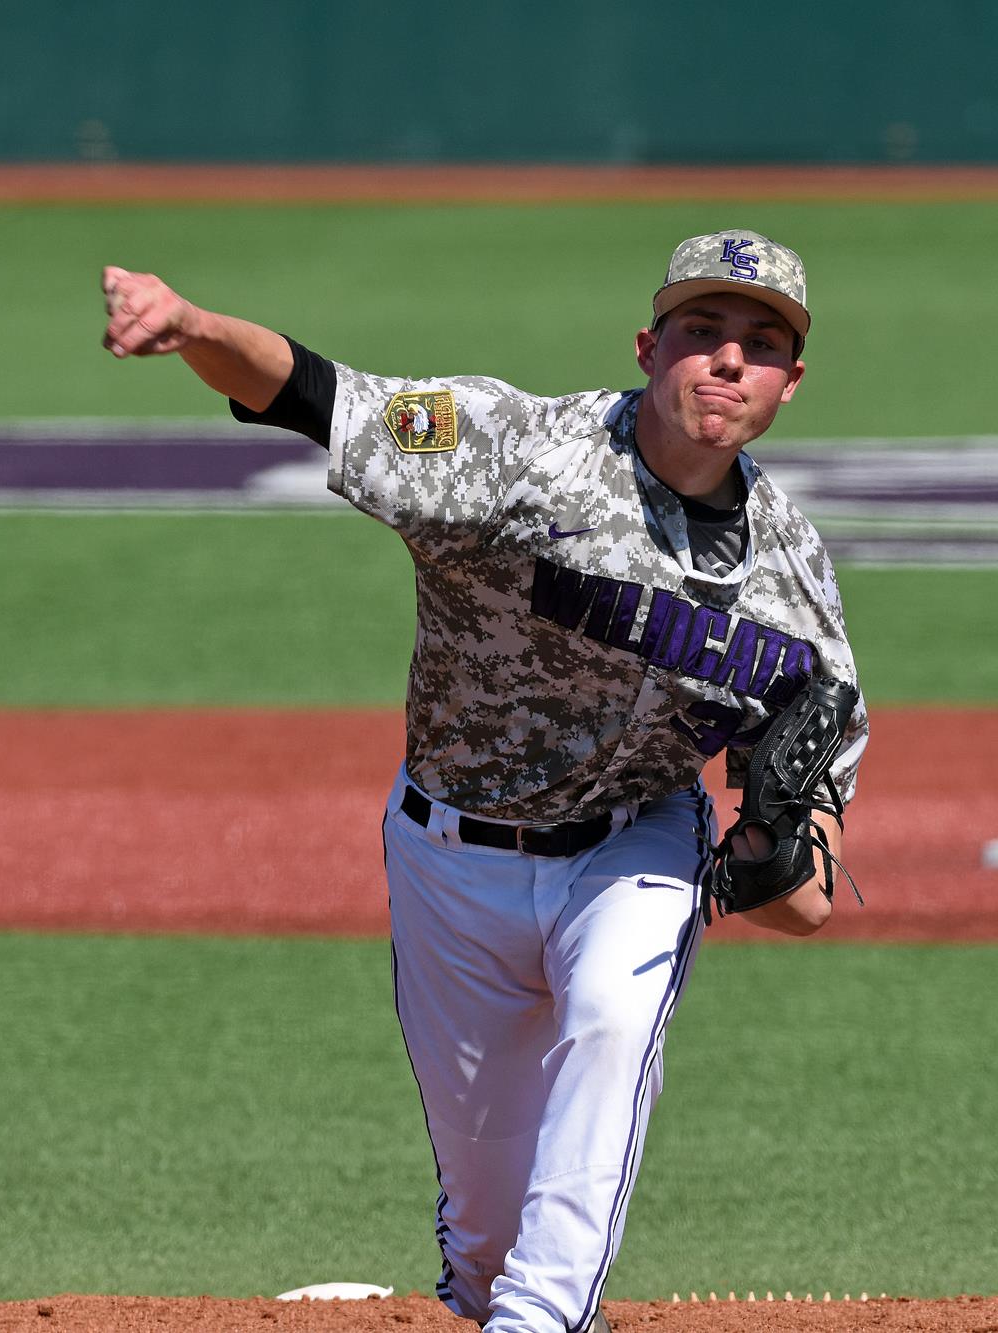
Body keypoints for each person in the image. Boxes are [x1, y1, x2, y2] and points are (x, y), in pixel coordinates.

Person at [99, 230, 868, 1333]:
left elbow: (804, 899)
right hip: (448, 856)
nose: (727, 360)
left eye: (760, 343)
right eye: (701, 332)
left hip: (633, 844)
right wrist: (193, 330)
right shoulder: (509, 447)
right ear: (650, 347)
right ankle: (502, 1299)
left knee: (611, 1020)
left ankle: (540, 1321)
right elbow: (320, 396)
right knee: (484, 1232)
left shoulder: (789, 584)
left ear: (789, 382)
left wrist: (774, 851)